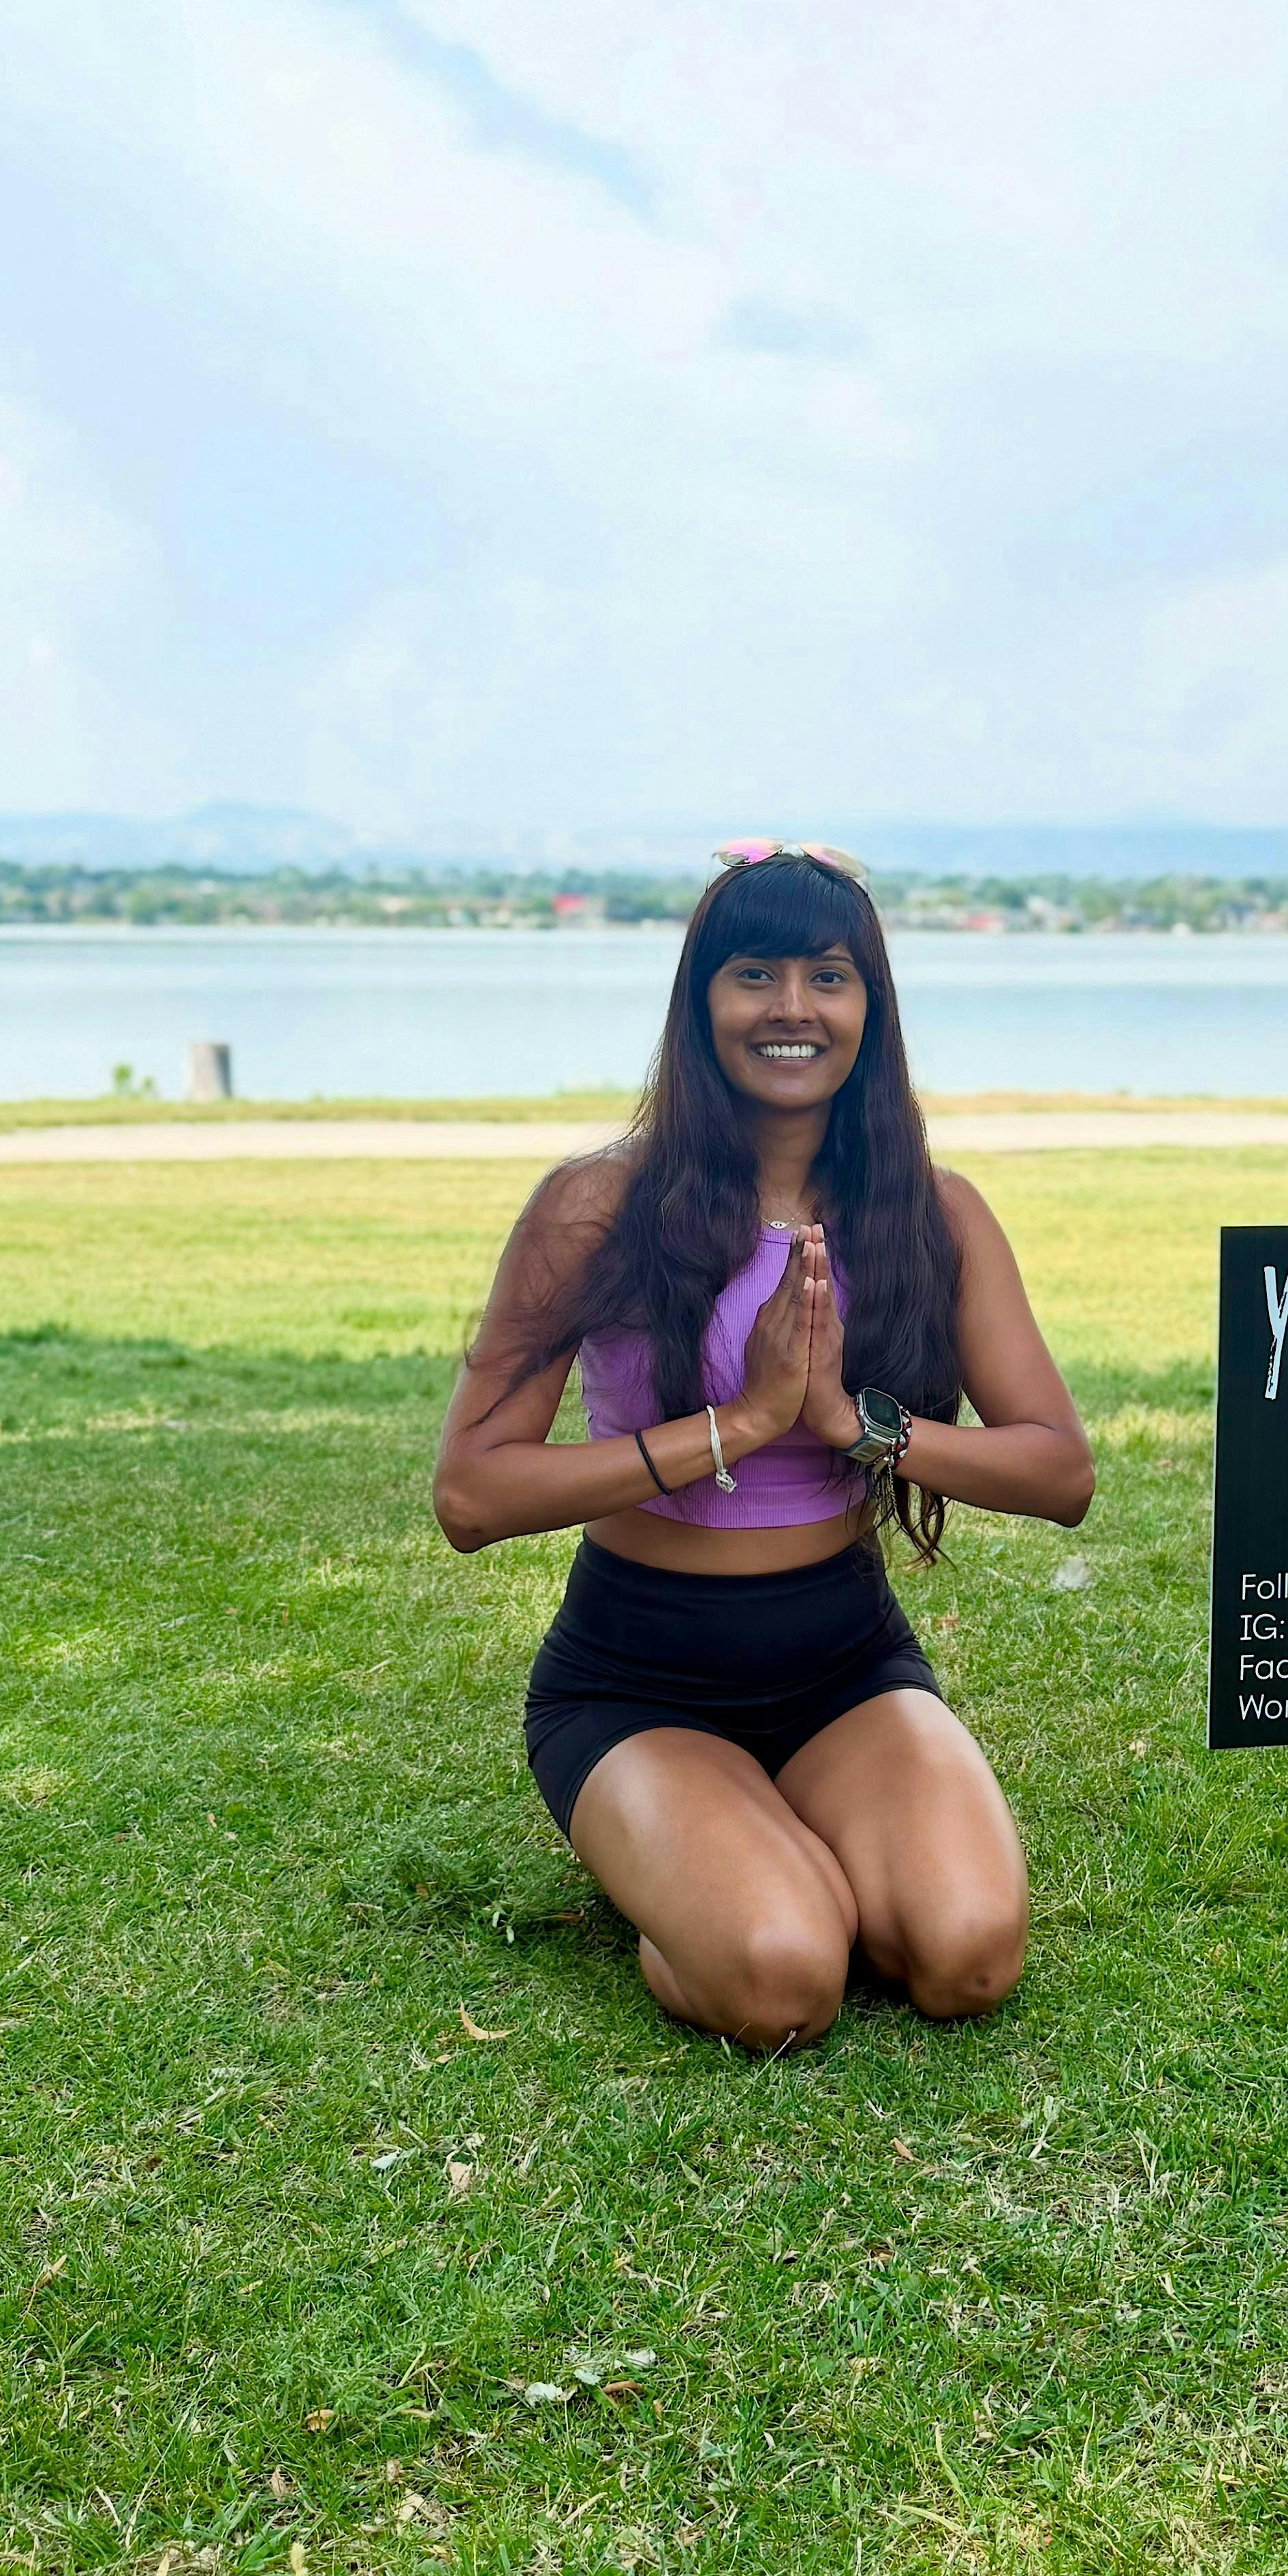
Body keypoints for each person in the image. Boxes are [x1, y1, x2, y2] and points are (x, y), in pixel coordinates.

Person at [432, 842, 1094, 2053]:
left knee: (965, 1961)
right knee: (788, 1982)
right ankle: (701, 1877)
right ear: (701, 1008)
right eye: (755, 975)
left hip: (845, 1668)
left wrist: (851, 1424)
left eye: (828, 977)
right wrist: (733, 1427)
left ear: (869, 1012)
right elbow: (471, 1495)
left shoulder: (931, 1215)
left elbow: (1060, 1472)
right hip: (637, 1684)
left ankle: (766, 1837)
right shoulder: (595, 1209)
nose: (792, 1008)